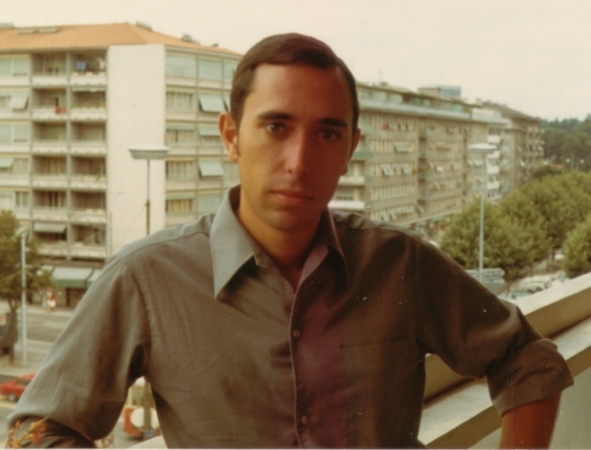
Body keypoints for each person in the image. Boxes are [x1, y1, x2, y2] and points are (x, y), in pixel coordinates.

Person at [8, 33, 573, 448]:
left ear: (350, 149)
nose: (299, 161)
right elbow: (38, 429)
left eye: (327, 133)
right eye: (276, 127)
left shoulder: (399, 264)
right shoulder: (146, 278)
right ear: (231, 136)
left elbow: (527, 358)